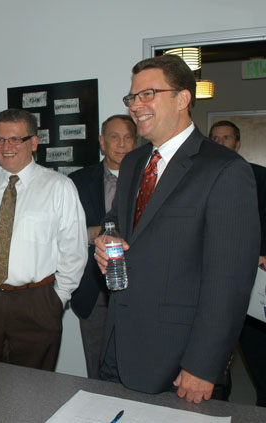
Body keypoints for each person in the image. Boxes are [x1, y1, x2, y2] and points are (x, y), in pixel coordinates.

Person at [94, 54, 259, 404]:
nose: (136, 106)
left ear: (183, 99)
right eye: (132, 97)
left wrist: (203, 365)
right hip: (118, 342)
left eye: (147, 94)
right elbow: (119, 223)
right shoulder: (137, 161)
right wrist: (106, 240)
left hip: (179, 356)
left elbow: (229, 283)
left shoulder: (225, 170)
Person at [0, 108, 87, 370]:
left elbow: (74, 251)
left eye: (15, 139)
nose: (6, 146)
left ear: (33, 142)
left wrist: (57, 299)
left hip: (36, 303)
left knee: (32, 391)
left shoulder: (59, 187)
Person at [69, 114, 137, 379]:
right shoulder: (76, 181)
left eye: (128, 137)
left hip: (139, 286)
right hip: (94, 289)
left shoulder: (151, 180)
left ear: (136, 141)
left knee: (138, 364)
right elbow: (64, 232)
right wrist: (94, 233)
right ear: (102, 142)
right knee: (97, 369)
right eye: (114, 137)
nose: (121, 144)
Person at [209, 119, 266, 407]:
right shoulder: (200, 180)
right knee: (216, 363)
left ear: (238, 143)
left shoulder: (261, 178)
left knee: (260, 359)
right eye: (215, 139)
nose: (221, 144)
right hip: (215, 286)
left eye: (227, 138)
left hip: (256, 284)